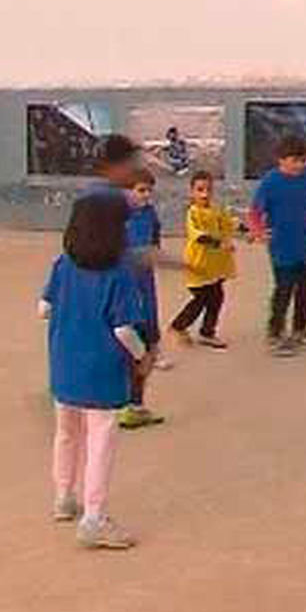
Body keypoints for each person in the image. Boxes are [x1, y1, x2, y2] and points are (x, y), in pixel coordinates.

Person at [41, 193, 150, 550]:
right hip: (102, 370)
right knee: (100, 439)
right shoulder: (119, 275)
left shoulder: (63, 265)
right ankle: (94, 517)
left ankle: (63, 496)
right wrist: (143, 356)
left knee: (66, 432)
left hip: (64, 363)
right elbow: (123, 329)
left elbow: (43, 308)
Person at [250, 137, 306, 356]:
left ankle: (299, 330)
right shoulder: (270, 182)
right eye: (295, 160)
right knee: (284, 291)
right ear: (281, 160)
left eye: (303, 160)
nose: (300, 165)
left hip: (305, 246)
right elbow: (255, 211)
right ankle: (274, 334)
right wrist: (258, 231)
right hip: (282, 247)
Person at [119, 168, 169, 430]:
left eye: (149, 190)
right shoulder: (115, 218)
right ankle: (123, 404)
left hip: (145, 287)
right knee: (126, 346)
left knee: (146, 343)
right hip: (124, 289)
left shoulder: (150, 214)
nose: (146, 195)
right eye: (140, 190)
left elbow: (155, 244)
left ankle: (135, 405)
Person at [170, 171, 237, 350]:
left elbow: (229, 223)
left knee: (216, 298)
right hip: (197, 265)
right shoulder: (192, 212)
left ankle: (207, 332)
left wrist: (251, 229)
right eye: (200, 190)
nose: (204, 194)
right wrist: (219, 243)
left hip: (215, 266)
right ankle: (178, 326)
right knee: (201, 298)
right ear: (192, 192)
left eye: (208, 190)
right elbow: (198, 236)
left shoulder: (217, 209)